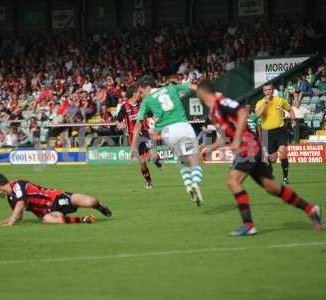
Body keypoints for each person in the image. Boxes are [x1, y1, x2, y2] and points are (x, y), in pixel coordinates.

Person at [197, 80, 322, 236]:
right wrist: (209, 148)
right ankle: (311, 209)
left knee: (233, 181)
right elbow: (223, 137)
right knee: (273, 188)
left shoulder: (220, 102)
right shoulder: (213, 113)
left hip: (248, 145)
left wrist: (236, 139)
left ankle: (248, 225)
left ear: (202, 93)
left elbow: (242, 112)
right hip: (246, 147)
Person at [132, 76, 204, 206]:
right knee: (195, 159)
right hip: (183, 126)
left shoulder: (147, 101)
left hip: (167, 133)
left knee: (182, 160)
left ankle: (188, 186)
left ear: (147, 87)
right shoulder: (171, 88)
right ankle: (195, 183)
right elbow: (193, 87)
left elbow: (137, 125)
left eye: (141, 92)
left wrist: (132, 146)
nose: (141, 95)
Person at [0, 172, 112, 226]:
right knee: (47, 220)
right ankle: (84, 220)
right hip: (46, 212)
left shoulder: (17, 185)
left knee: (91, 202)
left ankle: (99, 206)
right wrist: (5, 221)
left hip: (56, 198)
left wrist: (10, 223)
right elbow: (18, 216)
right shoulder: (10, 197)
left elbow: (20, 203)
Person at [116, 84, 162, 189]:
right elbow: (118, 119)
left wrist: (156, 118)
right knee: (142, 161)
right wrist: (120, 124)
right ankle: (149, 182)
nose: (141, 94)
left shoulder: (143, 104)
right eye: (139, 92)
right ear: (134, 94)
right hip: (133, 137)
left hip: (145, 133)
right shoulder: (125, 106)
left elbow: (151, 114)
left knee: (154, 155)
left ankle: (157, 161)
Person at [255, 83, 296, 184]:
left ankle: (286, 178)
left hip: (280, 130)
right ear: (263, 92)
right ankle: (270, 170)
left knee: (283, 152)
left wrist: (293, 120)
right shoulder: (260, 103)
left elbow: (290, 110)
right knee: (271, 159)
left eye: (269, 90)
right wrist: (265, 103)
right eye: (266, 90)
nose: (268, 92)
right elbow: (258, 114)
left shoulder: (280, 100)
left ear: (273, 90)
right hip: (266, 132)